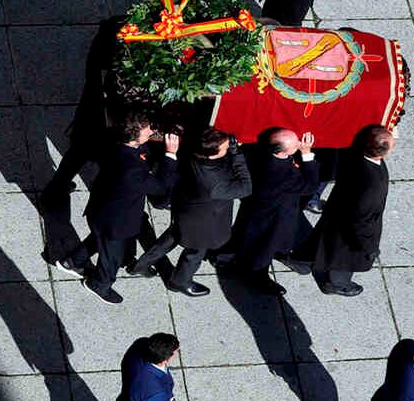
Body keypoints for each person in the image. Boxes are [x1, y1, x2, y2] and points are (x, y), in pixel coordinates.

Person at [55, 109, 180, 305]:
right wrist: (170, 155)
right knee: (111, 257)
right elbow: (160, 186)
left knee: (99, 239)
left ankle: (72, 261)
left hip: (102, 210)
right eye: (147, 130)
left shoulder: (115, 143)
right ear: (134, 137)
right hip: (115, 221)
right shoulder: (132, 170)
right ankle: (99, 284)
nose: (151, 132)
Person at [131, 128, 252, 297]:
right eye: (225, 148)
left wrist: (228, 148)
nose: (229, 148)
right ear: (213, 155)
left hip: (186, 211)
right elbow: (245, 187)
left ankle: (140, 265)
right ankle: (179, 282)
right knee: (195, 253)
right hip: (203, 224)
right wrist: (237, 154)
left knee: (170, 238)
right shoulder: (216, 185)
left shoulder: (191, 155)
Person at [285, 125, 393, 296]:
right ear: (383, 152)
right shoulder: (373, 186)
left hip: (337, 210)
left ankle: (301, 262)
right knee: (344, 258)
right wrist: (368, 247)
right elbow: (362, 222)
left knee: (323, 239)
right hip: (351, 228)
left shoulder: (353, 155)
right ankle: (336, 284)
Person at [214, 128, 319, 296]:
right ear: (281, 152)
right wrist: (307, 154)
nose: (300, 143)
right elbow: (310, 186)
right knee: (265, 248)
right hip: (273, 218)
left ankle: (235, 259)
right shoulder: (283, 174)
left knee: (249, 239)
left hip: (256, 208)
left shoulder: (258, 154)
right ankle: (256, 277)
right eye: (296, 144)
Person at [42, 16, 123, 198]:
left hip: (90, 116)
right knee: (100, 160)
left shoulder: (101, 49)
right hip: (103, 123)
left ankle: (55, 190)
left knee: (76, 155)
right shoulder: (109, 69)